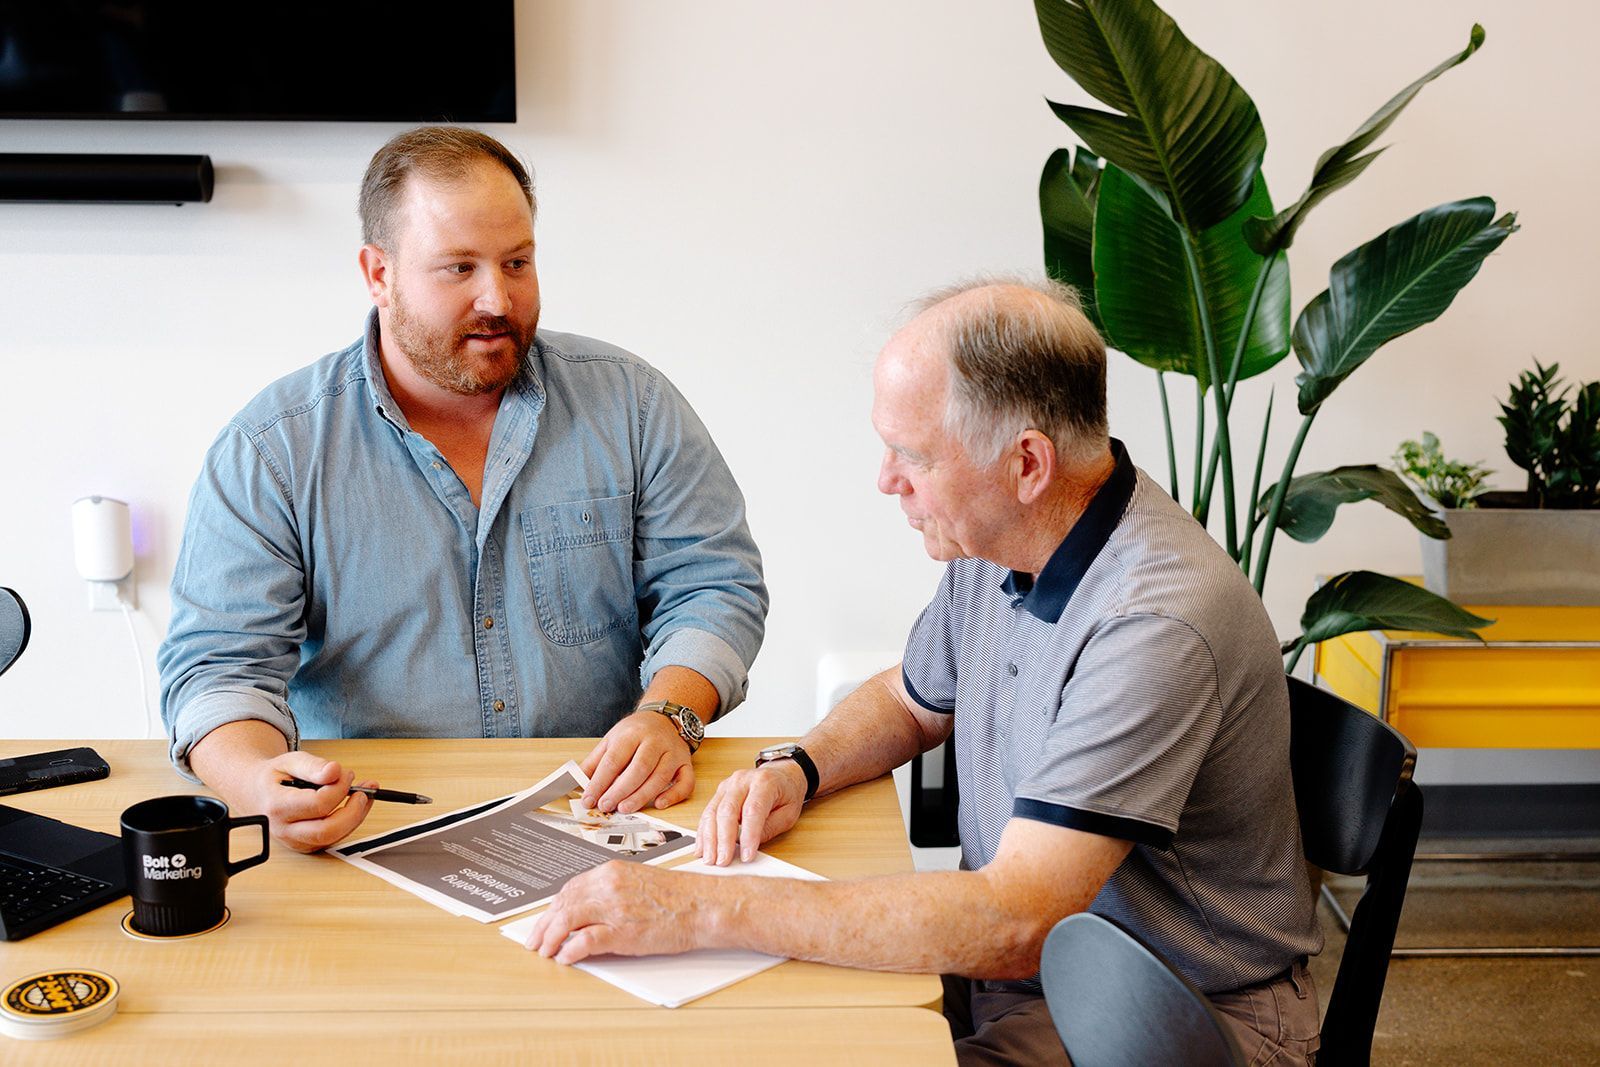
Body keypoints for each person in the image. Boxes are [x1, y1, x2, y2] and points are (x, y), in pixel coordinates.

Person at [521, 279, 1323, 1066]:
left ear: (1027, 464)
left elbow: (1017, 919)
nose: (887, 479)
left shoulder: (1152, 623)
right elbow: (910, 701)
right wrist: (800, 767)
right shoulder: (1004, 536)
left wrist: (700, 906)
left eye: (913, 455)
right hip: (1031, 978)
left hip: (1181, 1011)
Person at [158, 127, 767, 853]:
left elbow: (714, 583)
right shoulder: (273, 449)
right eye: (458, 268)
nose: (497, 298)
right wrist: (256, 782)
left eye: (518, 262)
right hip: (374, 831)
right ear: (377, 273)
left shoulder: (630, 403)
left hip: (599, 818)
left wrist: (668, 715)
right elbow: (219, 668)